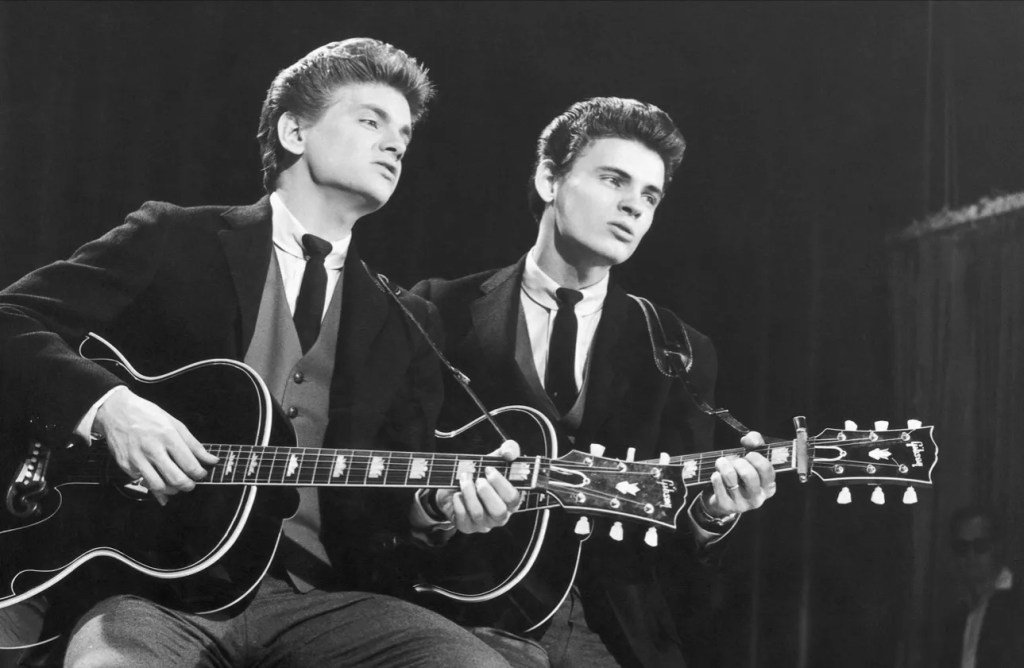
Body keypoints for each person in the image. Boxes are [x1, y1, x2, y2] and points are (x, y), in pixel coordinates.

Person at [0, 38, 524, 667]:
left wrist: (440, 507)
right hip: (152, 594)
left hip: (330, 600)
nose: (395, 144)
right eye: (371, 120)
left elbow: (394, 493)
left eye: (404, 135)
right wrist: (111, 406)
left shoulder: (411, 322)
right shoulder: (175, 238)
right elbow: (11, 317)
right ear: (294, 130)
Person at [412, 97, 777, 667]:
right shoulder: (438, 310)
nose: (634, 206)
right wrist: (434, 509)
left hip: (611, 632)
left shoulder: (679, 347)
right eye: (614, 180)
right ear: (549, 178)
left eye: (651, 196)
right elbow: (384, 479)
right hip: (461, 616)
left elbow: (683, 540)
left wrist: (714, 514)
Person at [937, 505, 1024, 668]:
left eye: (980, 546)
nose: (970, 556)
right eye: (962, 548)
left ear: (997, 547)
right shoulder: (956, 617)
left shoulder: (1018, 605)